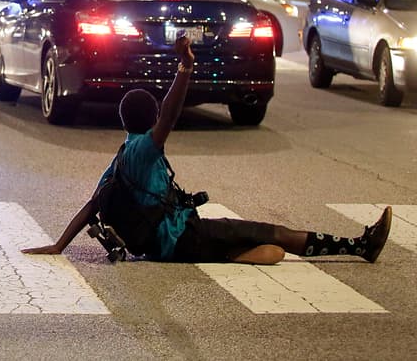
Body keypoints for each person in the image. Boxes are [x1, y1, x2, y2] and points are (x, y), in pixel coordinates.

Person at [22, 36, 391, 265]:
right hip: (183, 237)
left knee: (260, 242)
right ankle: (360, 246)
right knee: (276, 233)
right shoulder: (144, 150)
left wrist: (59, 245)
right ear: (151, 118)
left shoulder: (121, 157)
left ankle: (237, 254)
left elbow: (92, 205)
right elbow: (170, 115)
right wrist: (185, 67)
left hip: (169, 243)